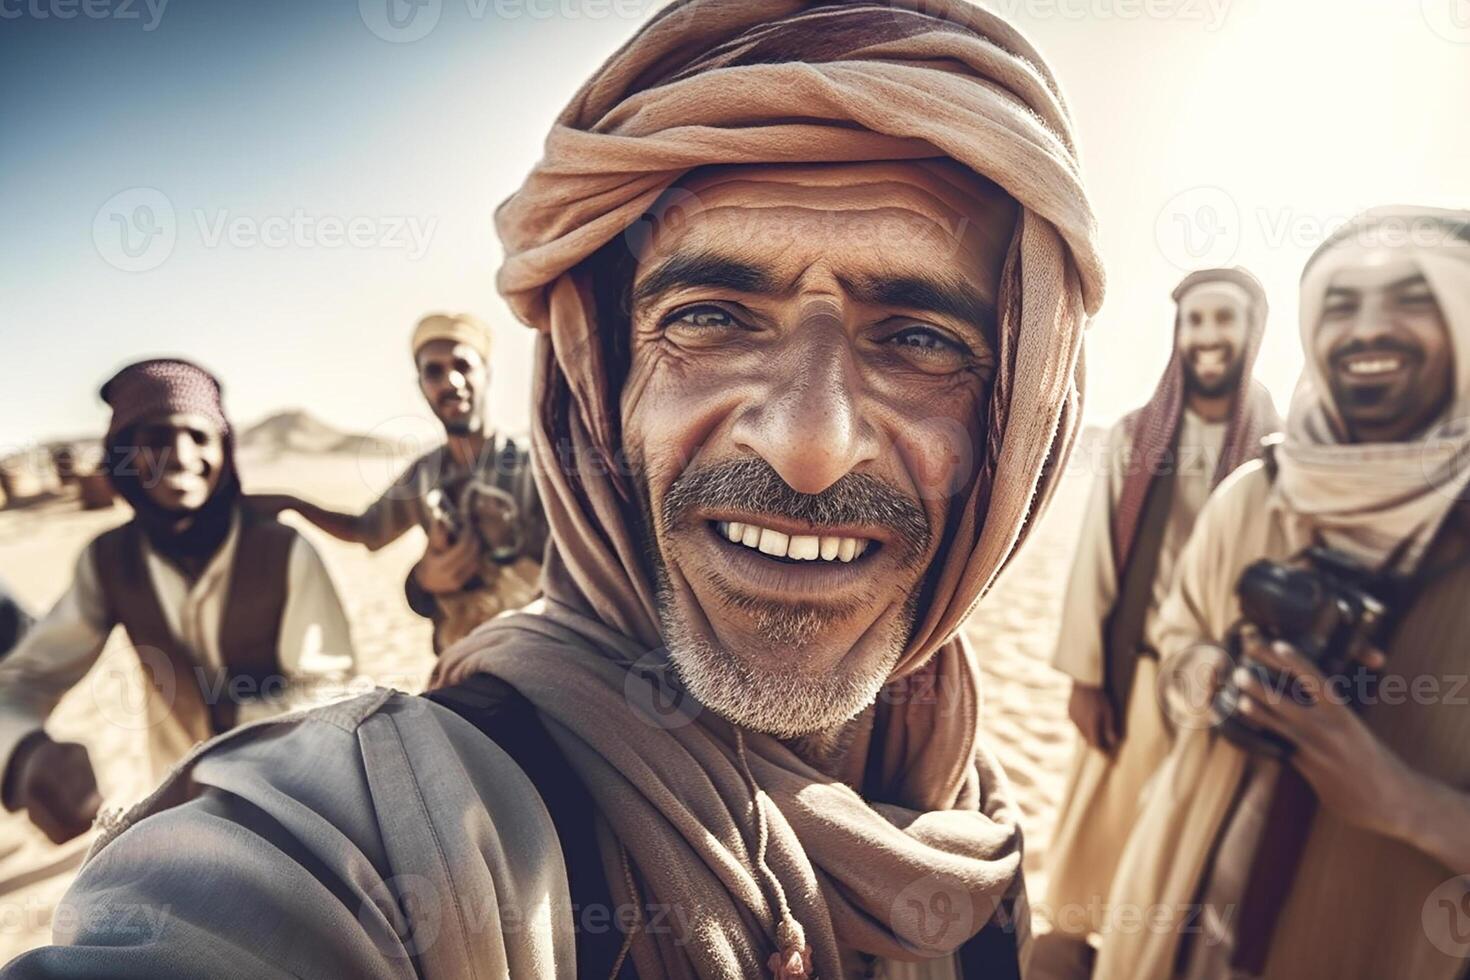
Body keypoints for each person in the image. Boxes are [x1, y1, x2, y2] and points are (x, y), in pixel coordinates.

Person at [2, 3, 1105, 976]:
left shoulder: (959, 788)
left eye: (916, 337)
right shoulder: (400, 837)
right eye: (710, 318)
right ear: (599, 384)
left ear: (1019, 423)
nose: (810, 447)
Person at [1094, 207, 1470, 980]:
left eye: (1411, 298)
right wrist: (1217, 680)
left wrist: (1403, 801)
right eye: (1342, 303)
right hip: (1188, 902)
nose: (1368, 329)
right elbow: (1177, 638)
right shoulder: (1257, 495)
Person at [1033, 268, 1279, 975]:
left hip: (1221, 693)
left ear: (1250, 332)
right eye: (1195, 320)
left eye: (1223, 320)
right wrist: (1085, 677)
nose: (1207, 337)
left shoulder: (1272, 453)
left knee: (1183, 852)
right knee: (1097, 847)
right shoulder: (1138, 436)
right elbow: (1097, 565)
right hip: (1132, 678)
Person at [0, 359, 355, 846]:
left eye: (200, 437)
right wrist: (24, 754)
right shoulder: (108, 563)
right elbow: (21, 683)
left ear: (225, 453)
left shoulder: (284, 550)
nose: (182, 456)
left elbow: (331, 691)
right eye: (157, 439)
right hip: (185, 815)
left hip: (297, 802)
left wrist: (235, 718)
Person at [251, 312, 548, 651]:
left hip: (530, 653)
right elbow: (366, 530)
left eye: (463, 366)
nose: (451, 381)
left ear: (487, 373)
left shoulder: (534, 465)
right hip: (456, 659)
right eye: (433, 371)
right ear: (421, 385)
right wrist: (294, 503)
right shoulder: (423, 474)